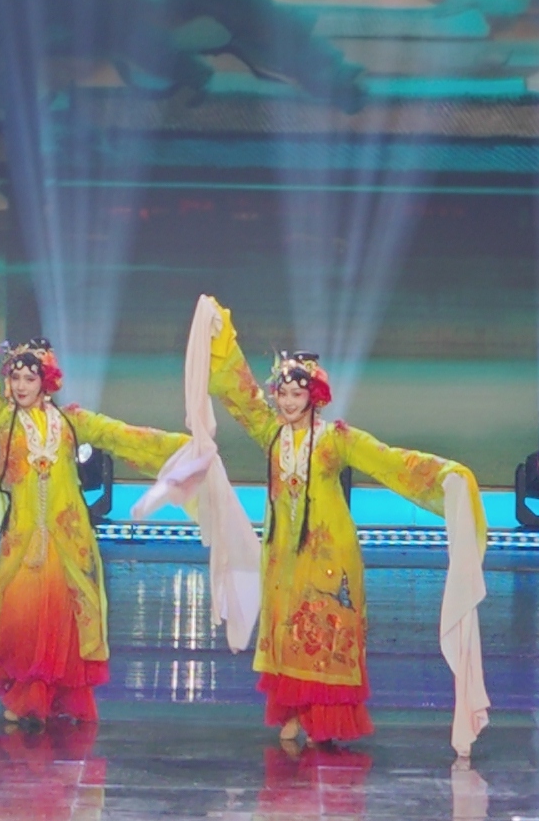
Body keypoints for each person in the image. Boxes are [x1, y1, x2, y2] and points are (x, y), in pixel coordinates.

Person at [203, 298, 486, 747]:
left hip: (329, 554)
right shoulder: (271, 432)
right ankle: (294, 712)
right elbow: (240, 394)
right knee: (289, 629)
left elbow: (388, 461)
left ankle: (323, 717)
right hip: (283, 555)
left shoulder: (335, 439)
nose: (289, 402)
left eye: (298, 395)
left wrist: (448, 476)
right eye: (283, 394)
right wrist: (219, 339)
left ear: (314, 397)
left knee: (323, 631)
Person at [0, 278, 188, 724]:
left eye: (29, 378)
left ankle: (55, 694)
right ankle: (25, 691)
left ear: (45, 382)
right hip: (24, 540)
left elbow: (122, 435)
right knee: (23, 615)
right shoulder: (2, 418)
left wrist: (183, 448)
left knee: (63, 617)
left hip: (67, 541)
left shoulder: (71, 422)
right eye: (15, 377)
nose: (21, 385)